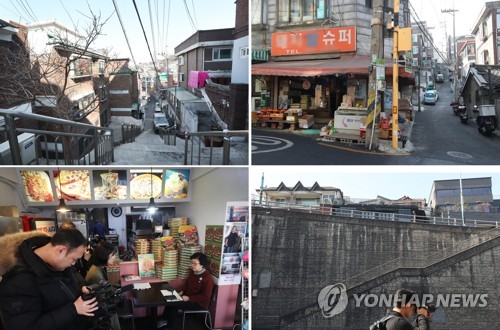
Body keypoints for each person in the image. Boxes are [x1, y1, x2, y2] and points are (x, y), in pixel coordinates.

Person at [0, 229, 98, 330]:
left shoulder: (58, 262)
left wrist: (82, 286)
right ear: (60, 250)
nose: (74, 264)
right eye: (74, 259)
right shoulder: (18, 282)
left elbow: (72, 275)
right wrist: (73, 309)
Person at [157, 252, 214, 329]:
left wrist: (189, 298)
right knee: (170, 300)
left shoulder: (207, 277)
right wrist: (182, 291)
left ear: (202, 264)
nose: (192, 265)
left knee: (175, 305)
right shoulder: (193, 272)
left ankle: (169, 327)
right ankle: (164, 320)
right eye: (192, 263)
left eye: (195, 264)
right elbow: (187, 284)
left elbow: (206, 296)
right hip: (188, 297)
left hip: (199, 303)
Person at [85, 241, 121, 330]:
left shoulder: (99, 267)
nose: (114, 257)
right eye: (112, 255)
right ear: (104, 256)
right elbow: (103, 298)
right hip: (101, 314)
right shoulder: (96, 274)